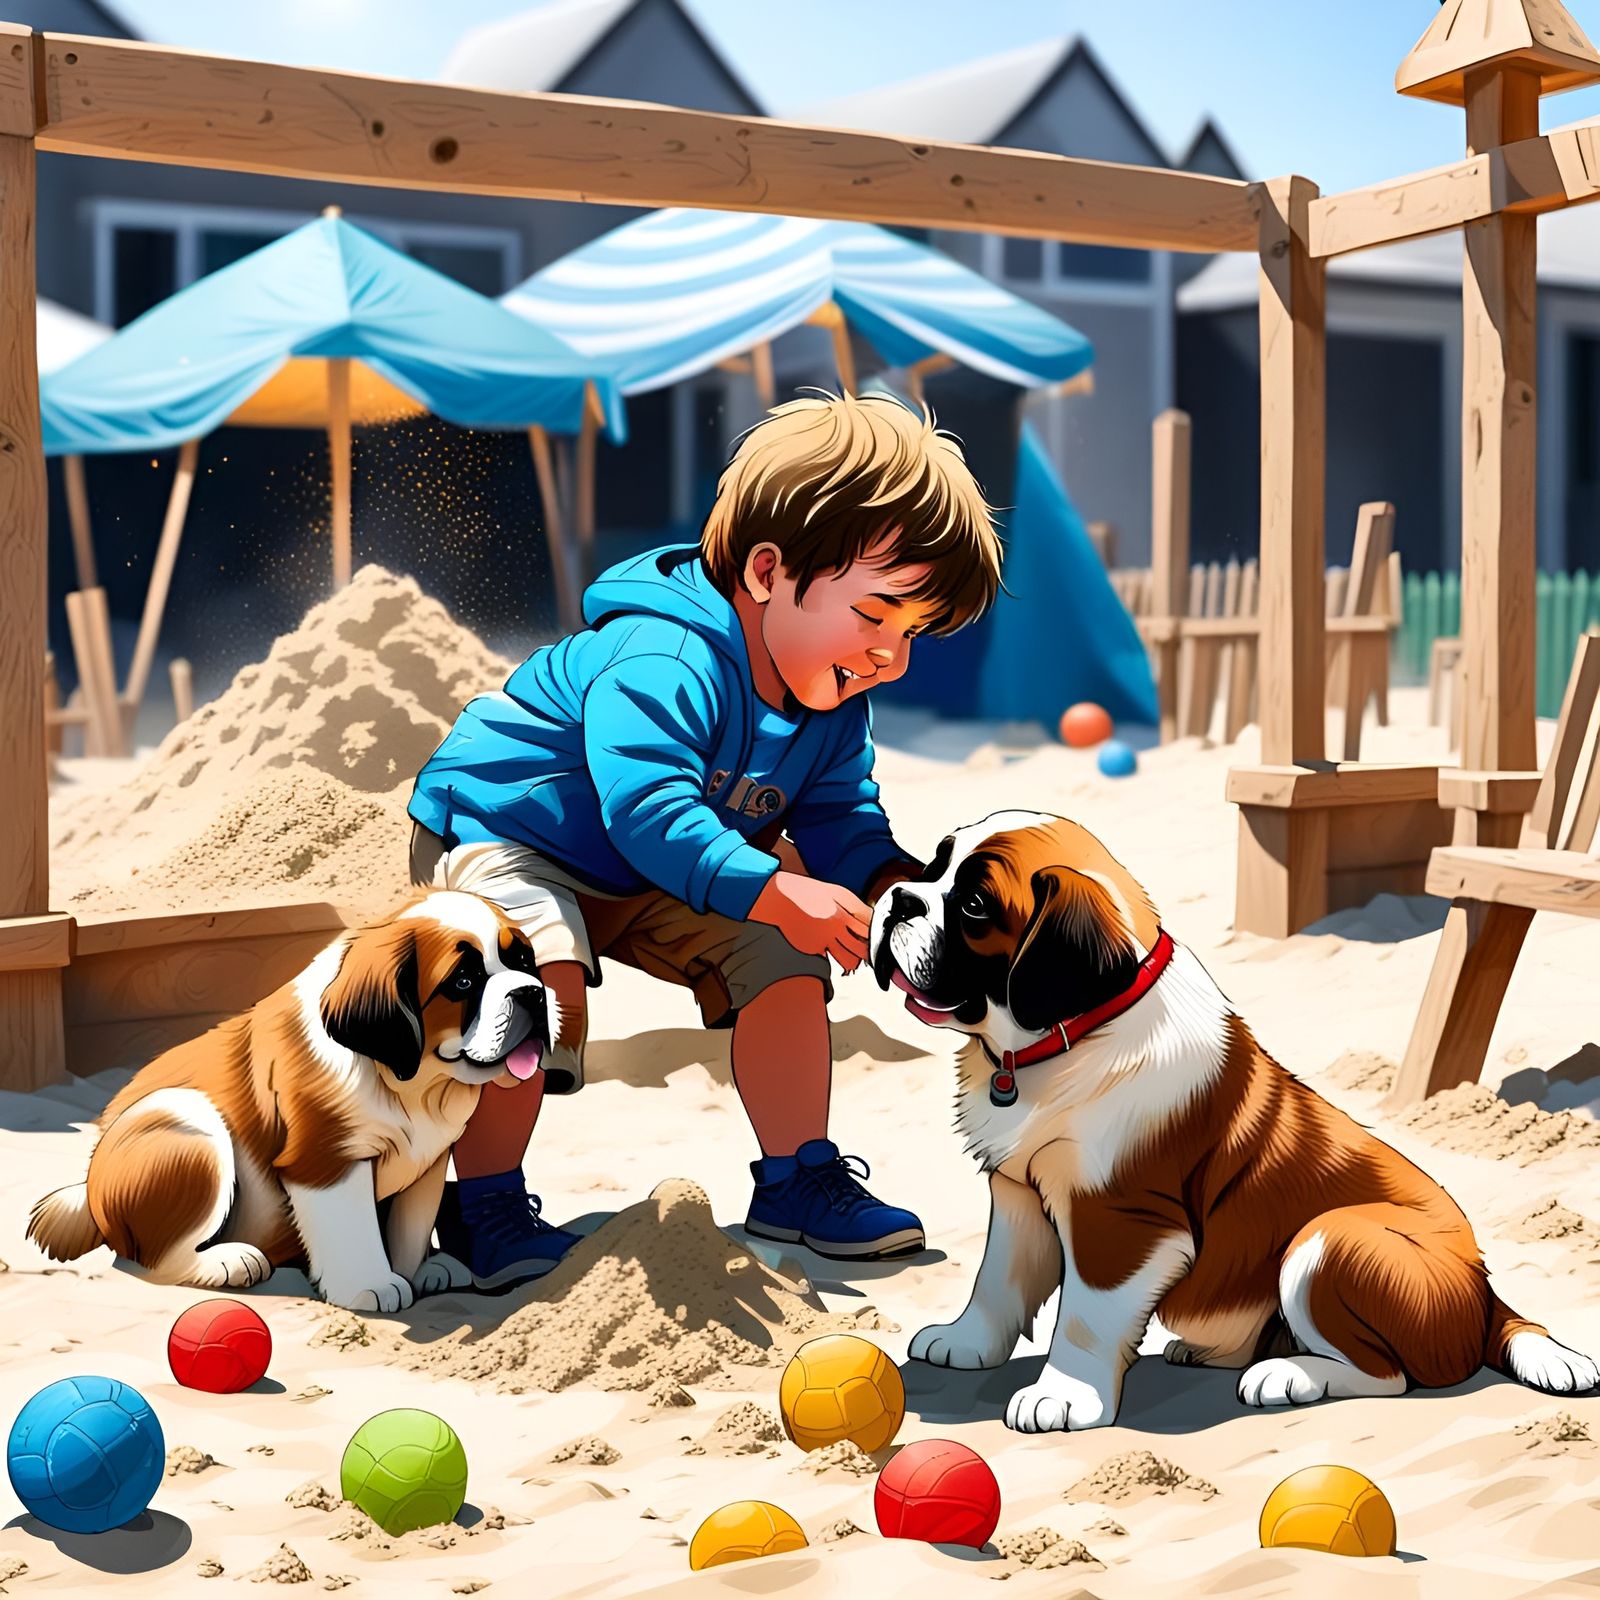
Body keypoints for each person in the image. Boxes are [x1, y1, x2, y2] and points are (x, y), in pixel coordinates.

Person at [406, 391, 1002, 1286]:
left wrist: (897, 905)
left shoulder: (831, 701)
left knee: (778, 953)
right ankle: (483, 1204)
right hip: (506, 829)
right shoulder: (665, 655)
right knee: (533, 974)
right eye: (876, 615)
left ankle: (796, 1178)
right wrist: (775, 886)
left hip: (652, 865)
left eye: (912, 633)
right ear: (767, 572)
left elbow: (842, 821)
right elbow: (645, 807)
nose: (890, 654)